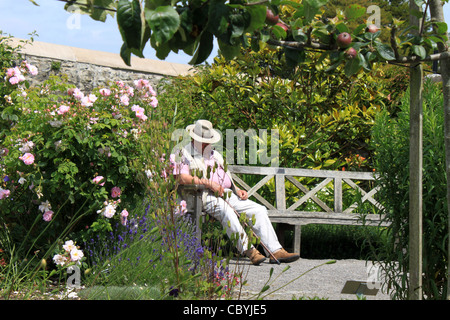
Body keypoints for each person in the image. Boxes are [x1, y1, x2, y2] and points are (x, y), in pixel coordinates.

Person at [170, 119, 300, 265]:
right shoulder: (182, 153)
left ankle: (276, 250)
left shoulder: (215, 154)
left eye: (208, 140)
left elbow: (225, 177)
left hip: (225, 193)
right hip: (201, 196)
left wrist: (237, 190)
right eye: (203, 141)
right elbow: (181, 177)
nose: (207, 143)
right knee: (227, 211)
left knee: (258, 210)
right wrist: (207, 183)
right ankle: (249, 251)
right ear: (194, 137)